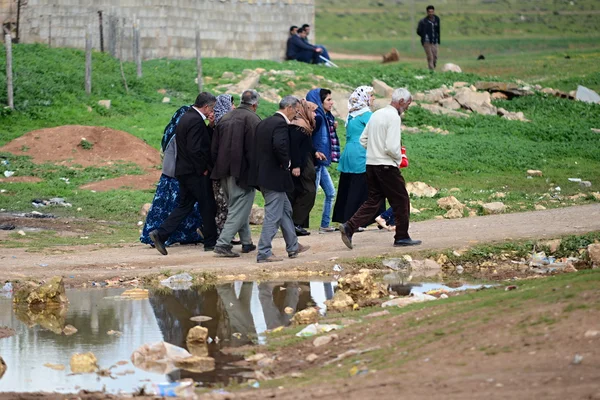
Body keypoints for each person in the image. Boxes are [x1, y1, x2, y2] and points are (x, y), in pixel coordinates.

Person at [339, 88, 422, 249]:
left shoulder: (376, 114)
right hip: (386, 166)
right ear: (401, 102)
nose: (407, 108)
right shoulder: (393, 117)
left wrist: (373, 151)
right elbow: (392, 147)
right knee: (401, 199)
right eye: (408, 104)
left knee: (373, 200)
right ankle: (402, 236)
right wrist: (399, 159)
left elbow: (363, 139)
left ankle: (349, 227)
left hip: (371, 164)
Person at [149, 92, 218, 255]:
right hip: (194, 172)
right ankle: (210, 242)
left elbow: (197, 141)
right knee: (208, 205)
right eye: (212, 108)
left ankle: (161, 234)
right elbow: (195, 149)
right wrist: (203, 168)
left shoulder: (188, 117)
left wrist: (210, 126)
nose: (212, 111)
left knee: (185, 205)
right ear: (206, 106)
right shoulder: (194, 120)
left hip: (184, 171)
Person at [249, 95, 310, 263]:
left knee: (285, 211)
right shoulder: (280, 124)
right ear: (289, 108)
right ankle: (264, 252)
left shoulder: (264, 122)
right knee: (273, 215)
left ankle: (293, 245)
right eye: (296, 111)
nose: (296, 115)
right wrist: (287, 163)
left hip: (264, 175)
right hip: (274, 177)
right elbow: (279, 146)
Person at [140, 105, 204, 247]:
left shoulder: (170, 131)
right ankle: (174, 234)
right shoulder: (181, 133)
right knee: (180, 206)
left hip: (167, 175)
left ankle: (158, 234)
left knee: (164, 207)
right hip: (177, 175)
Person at [211, 90, 261, 258]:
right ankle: (223, 243)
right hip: (242, 173)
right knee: (239, 208)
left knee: (238, 207)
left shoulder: (225, 117)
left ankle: (246, 242)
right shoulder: (253, 119)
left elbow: (214, 148)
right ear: (254, 105)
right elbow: (255, 151)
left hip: (222, 170)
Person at [332, 85, 384, 226]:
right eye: (371, 95)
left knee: (348, 185)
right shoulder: (366, 115)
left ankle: (345, 217)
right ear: (364, 98)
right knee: (365, 185)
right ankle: (360, 220)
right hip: (362, 151)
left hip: (349, 151)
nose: (373, 98)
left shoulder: (352, 114)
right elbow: (376, 133)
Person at [287, 99, 326, 236]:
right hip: (302, 165)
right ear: (304, 110)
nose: (315, 115)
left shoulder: (304, 125)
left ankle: (295, 224)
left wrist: (315, 152)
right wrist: (296, 165)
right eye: (312, 111)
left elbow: (306, 144)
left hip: (305, 162)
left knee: (305, 191)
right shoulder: (298, 126)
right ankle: (295, 223)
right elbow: (295, 148)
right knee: (309, 192)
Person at [306, 88, 340, 233]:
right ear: (318, 102)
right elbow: (310, 139)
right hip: (315, 162)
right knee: (309, 196)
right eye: (328, 100)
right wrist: (315, 153)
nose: (332, 102)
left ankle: (325, 225)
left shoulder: (326, 117)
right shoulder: (316, 118)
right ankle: (296, 225)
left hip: (321, 162)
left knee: (331, 193)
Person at [211, 94, 236, 236]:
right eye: (232, 104)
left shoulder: (221, 122)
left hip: (220, 169)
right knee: (223, 205)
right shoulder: (223, 124)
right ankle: (223, 237)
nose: (234, 107)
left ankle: (225, 235)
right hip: (221, 171)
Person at [416, 5, 441, 70]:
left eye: (432, 12)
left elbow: (438, 30)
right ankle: (432, 71)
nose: (431, 13)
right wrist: (424, 35)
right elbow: (418, 31)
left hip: (434, 41)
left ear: (434, 12)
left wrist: (437, 38)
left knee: (435, 57)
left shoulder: (437, 19)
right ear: (427, 12)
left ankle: (432, 68)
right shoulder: (423, 21)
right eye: (429, 12)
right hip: (426, 42)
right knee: (430, 57)